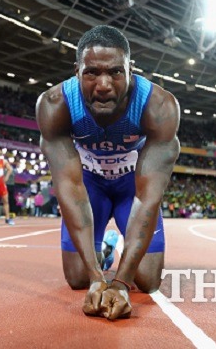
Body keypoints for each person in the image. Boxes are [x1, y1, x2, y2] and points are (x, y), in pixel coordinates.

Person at [36, 25, 180, 320]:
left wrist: (121, 284)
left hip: (132, 187)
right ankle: (105, 252)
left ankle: (116, 253)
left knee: (148, 282)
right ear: (77, 71)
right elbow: (71, 191)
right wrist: (97, 278)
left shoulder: (159, 107)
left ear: (130, 70)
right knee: (77, 279)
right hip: (89, 185)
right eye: (92, 73)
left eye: (115, 72)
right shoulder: (55, 105)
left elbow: (147, 198)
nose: (103, 84)